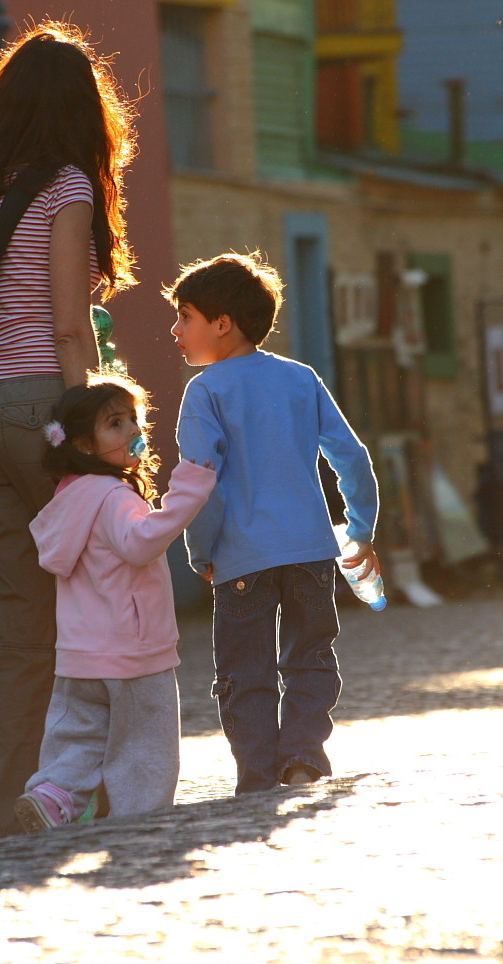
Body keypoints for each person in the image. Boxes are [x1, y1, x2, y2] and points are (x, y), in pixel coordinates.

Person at [0, 21, 137, 839]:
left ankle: (10, 811)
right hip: (42, 407)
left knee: (16, 625)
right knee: (91, 604)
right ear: (84, 110)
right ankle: (99, 793)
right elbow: (68, 328)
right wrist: (98, 436)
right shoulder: (66, 189)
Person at [163, 251, 381, 793]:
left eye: (184, 316)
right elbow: (350, 456)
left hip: (241, 556)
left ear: (221, 324)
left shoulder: (205, 391)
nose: (175, 330)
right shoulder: (300, 378)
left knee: (245, 672)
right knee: (311, 657)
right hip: (310, 551)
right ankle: (303, 756)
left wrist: (199, 551)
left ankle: (258, 777)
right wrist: (361, 528)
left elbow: (201, 478)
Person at [14, 374, 215, 832]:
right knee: (145, 746)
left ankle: (52, 797)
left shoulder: (68, 496)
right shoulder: (113, 496)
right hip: (135, 652)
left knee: (77, 740)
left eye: (133, 420)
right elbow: (139, 543)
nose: (132, 432)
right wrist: (189, 491)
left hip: (79, 658)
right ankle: (137, 828)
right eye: (116, 423)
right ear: (84, 444)